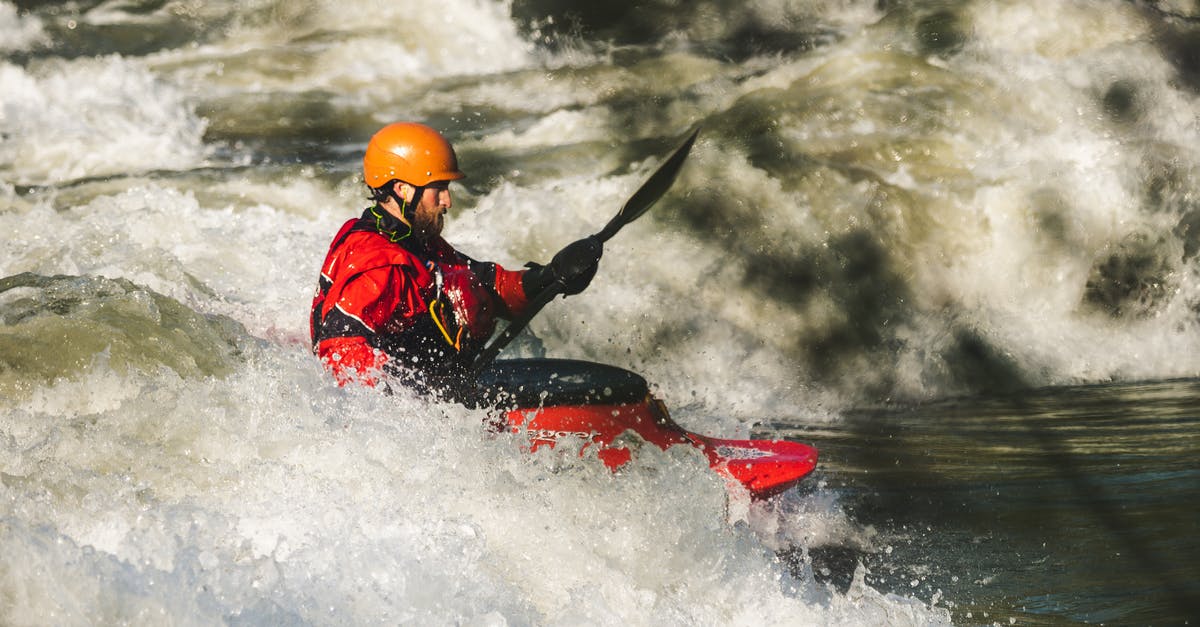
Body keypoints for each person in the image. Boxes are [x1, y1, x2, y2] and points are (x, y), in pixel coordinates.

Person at [310, 122, 601, 398]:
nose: (447, 201)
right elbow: (339, 352)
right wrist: (425, 394)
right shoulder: (380, 264)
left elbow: (490, 284)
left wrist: (551, 277)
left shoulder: (413, 241)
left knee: (463, 287)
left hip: (442, 388)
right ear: (403, 190)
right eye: (438, 189)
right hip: (408, 412)